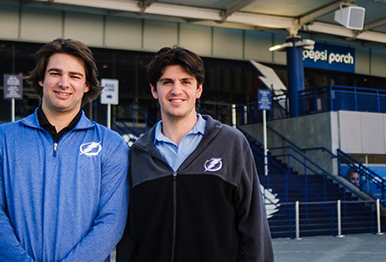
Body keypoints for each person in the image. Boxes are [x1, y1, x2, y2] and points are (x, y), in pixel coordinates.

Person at [0, 38, 129, 262]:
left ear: (87, 85)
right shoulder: (0, 140)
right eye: (55, 73)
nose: (64, 83)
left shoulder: (111, 145)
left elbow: (112, 221)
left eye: (75, 76)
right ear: (41, 79)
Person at [117, 46, 274, 262]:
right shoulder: (137, 154)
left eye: (185, 82)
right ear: (154, 90)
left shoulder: (231, 143)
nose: (176, 90)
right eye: (167, 82)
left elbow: (254, 224)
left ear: (198, 89)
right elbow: (130, 235)